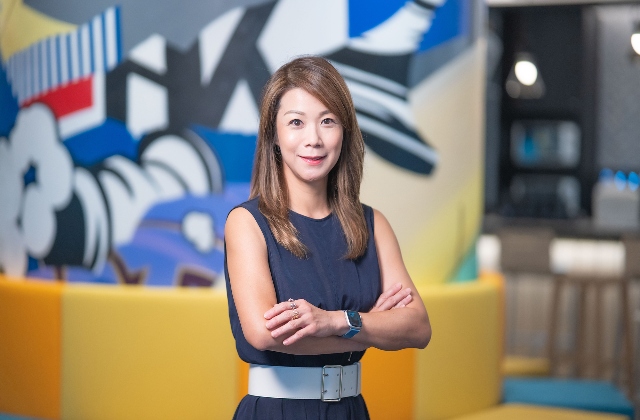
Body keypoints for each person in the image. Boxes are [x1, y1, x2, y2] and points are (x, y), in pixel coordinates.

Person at [224, 56, 431, 420]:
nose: (314, 139)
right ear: (274, 134)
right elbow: (265, 334)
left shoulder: (373, 224)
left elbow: (418, 328)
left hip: (352, 410)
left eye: (327, 121)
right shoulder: (247, 222)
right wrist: (371, 327)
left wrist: (338, 321)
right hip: (277, 412)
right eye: (296, 123)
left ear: (345, 131)